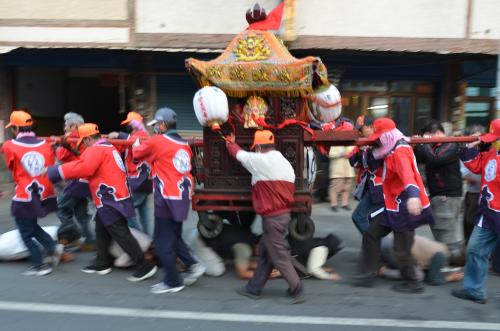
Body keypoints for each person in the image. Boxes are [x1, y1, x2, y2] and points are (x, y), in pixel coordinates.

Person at [47, 123, 157, 282]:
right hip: (113, 196)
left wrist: (55, 172)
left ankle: (144, 266)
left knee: (121, 233)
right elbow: (85, 162)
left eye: (83, 142)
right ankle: (102, 261)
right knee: (101, 227)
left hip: (110, 197)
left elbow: (84, 168)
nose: (83, 145)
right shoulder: (107, 147)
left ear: (88, 139)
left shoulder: (96, 150)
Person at [353, 118, 435, 293]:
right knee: (371, 234)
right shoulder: (391, 149)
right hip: (392, 206)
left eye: (379, 136)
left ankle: (413, 282)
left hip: (405, 206)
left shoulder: (400, 151)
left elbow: (408, 175)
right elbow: (373, 163)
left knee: (401, 249)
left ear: (387, 136)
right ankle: (368, 274)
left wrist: (413, 196)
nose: (378, 140)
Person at [226, 129, 304, 304]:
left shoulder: (262, 161)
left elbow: (240, 156)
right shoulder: (284, 163)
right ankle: (254, 288)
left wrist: (230, 142)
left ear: (259, 147)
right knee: (266, 253)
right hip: (282, 215)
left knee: (279, 255)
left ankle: (296, 288)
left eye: (256, 148)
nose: (255, 151)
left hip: (273, 218)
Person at [132, 107, 205, 294]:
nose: (155, 128)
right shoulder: (183, 144)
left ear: (163, 124)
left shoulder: (158, 141)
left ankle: (173, 280)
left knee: (162, 240)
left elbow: (136, 155)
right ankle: (193, 265)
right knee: (174, 236)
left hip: (166, 197)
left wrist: (136, 142)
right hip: (182, 196)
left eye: (156, 125)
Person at [1, 110, 63, 276]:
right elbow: (49, 167)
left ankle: (40, 264)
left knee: (25, 232)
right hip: (42, 191)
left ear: (15, 128)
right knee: (30, 225)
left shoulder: (9, 145)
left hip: (24, 193)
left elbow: (11, 167)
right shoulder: (45, 145)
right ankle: (52, 247)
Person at [451, 119, 500, 304]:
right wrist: (470, 147)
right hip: (488, 212)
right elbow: (476, 166)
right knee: (475, 249)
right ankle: (474, 290)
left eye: (495, 138)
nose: (492, 140)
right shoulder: (492, 152)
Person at [414, 120, 463, 260]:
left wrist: (424, 143)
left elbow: (436, 158)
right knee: (440, 231)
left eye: (427, 136)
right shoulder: (433, 147)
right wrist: (417, 146)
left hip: (447, 196)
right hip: (439, 196)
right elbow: (419, 158)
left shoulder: (450, 144)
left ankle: (449, 266)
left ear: (437, 134)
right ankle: (448, 264)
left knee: (445, 233)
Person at [53, 112, 94, 247]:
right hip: (84, 181)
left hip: (75, 180)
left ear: (74, 126)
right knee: (81, 213)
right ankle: (89, 241)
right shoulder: (86, 137)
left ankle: (74, 234)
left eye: (67, 126)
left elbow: (61, 155)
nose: (65, 128)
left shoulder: (73, 137)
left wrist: (58, 145)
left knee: (61, 209)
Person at [108, 112, 152, 235]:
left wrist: (118, 134)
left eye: (129, 125)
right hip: (142, 181)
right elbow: (122, 147)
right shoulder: (132, 137)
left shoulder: (142, 136)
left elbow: (134, 142)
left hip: (139, 180)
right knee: (143, 213)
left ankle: (141, 238)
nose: (128, 128)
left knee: (126, 210)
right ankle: (148, 238)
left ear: (134, 125)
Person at [380, 234, 463, 285]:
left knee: (416, 267)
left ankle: (381, 263)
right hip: (393, 249)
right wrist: (450, 278)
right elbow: (433, 280)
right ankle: (383, 271)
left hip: (390, 242)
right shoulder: (441, 256)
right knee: (418, 275)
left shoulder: (442, 247)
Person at [349, 115, 384, 233]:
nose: (359, 132)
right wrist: (360, 150)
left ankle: (373, 244)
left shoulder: (380, 140)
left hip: (380, 186)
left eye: (361, 129)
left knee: (359, 217)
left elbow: (375, 165)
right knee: (369, 219)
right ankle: (373, 245)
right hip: (369, 186)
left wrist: (366, 150)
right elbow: (352, 162)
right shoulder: (364, 143)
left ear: (370, 127)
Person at [189, 222, 261, 279]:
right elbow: (242, 273)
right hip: (199, 241)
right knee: (217, 271)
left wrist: (262, 267)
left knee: (227, 256)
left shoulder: (251, 237)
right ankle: (188, 258)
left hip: (206, 232)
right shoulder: (244, 248)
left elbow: (245, 261)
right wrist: (264, 275)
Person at [461, 125, 485, 243]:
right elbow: (465, 174)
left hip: (486, 194)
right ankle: (469, 244)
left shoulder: (487, 151)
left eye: (479, 137)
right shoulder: (467, 151)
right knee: (469, 221)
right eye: (474, 137)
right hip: (473, 193)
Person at [329, 145, 355, 212]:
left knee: (347, 188)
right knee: (335, 188)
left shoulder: (351, 144)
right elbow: (330, 154)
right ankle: (333, 204)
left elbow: (355, 153)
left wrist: (350, 155)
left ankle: (344, 204)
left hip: (349, 170)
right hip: (338, 170)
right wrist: (341, 154)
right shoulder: (335, 144)